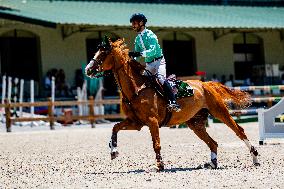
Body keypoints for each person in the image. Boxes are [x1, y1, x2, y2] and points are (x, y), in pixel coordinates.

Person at [128, 13, 181, 112]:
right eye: (132, 23)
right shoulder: (137, 39)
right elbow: (137, 57)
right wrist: (131, 62)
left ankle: (173, 102)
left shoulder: (151, 35)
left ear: (141, 23)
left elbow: (152, 51)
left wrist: (138, 53)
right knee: (142, 80)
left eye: (134, 23)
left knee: (160, 79)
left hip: (159, 61)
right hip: (149, 64)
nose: (133, 25)